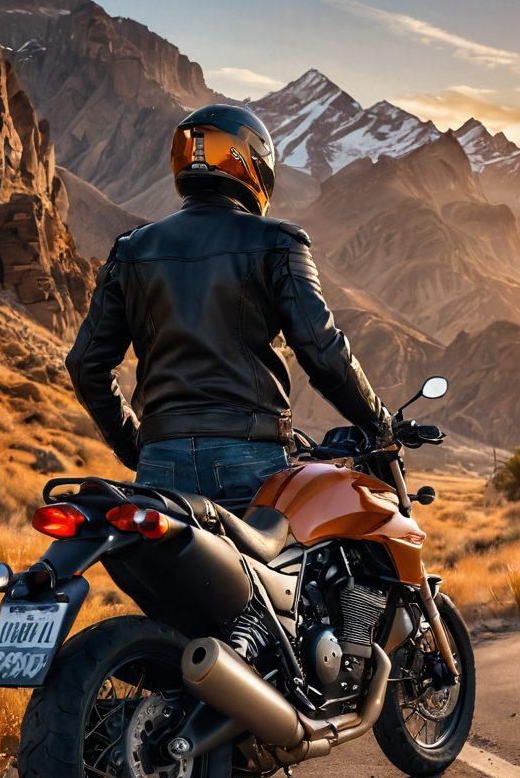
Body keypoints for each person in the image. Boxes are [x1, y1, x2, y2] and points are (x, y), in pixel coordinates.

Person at [65, 104, 391, 511]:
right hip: (250, 455)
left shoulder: (133, 249)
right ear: (253, 163)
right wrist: (379, 425)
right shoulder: (279, 242)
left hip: (160, 460)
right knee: (305, 567)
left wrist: (136, 445)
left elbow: (85, 365)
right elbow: (322, 351)